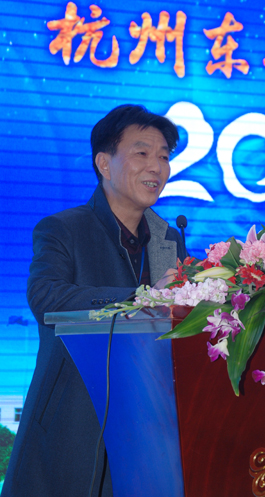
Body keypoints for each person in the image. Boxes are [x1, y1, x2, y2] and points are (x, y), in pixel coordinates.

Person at [2, 105, 187, 496]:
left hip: (146, 435)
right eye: (142, 153)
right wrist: (142, 298)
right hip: (74, 429)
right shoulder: (63, 228)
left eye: (164, 157)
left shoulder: (169, 241)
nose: (156, 167)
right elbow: (46, 297)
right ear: (104, 163)